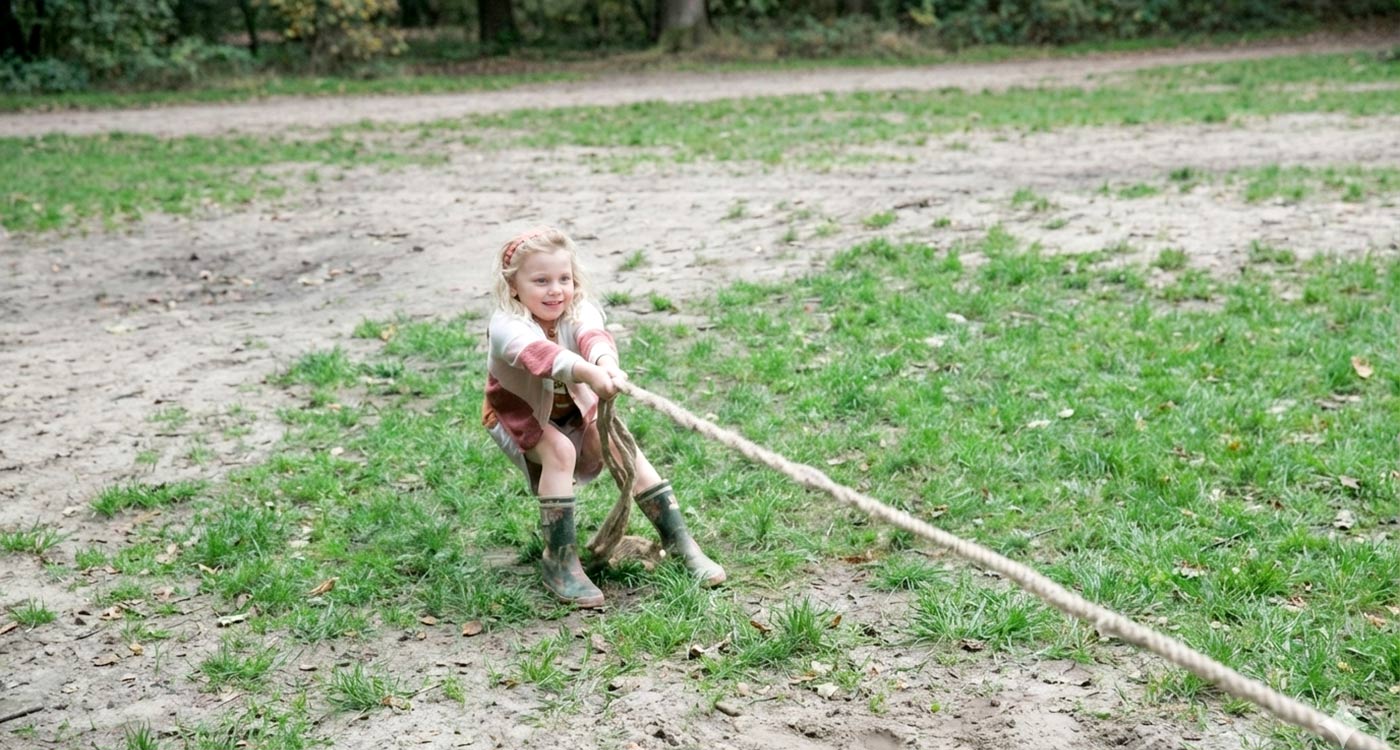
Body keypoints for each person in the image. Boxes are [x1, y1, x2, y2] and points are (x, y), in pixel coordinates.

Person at [481, 226, 725, 608]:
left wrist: (606, 365)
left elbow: (593, 336)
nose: (556, 290)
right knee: (559, 451)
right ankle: (559, 560)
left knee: (618, 444)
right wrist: (589, 374)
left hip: (574, 408)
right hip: (519, 415)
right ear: (513, 286)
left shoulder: (578, 307)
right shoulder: (507, 326)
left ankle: (678, 541)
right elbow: (542, 358)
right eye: (541, 281)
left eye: (564, 278)